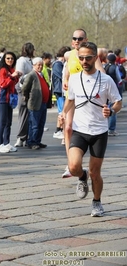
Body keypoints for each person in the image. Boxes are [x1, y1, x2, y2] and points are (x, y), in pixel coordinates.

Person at [59, 41, 122, 217]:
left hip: (99, 132)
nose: (84, 61)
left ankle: (97, 202)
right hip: (80, 130)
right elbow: (70, 100)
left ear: (95, 57)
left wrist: (111, 110)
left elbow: (118, 102)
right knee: (73, 167)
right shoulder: (74, 78)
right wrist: (63, 113)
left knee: (96, 173)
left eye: (88, 58)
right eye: (81, 58)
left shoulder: (106, 80)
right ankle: (81, 176)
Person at [62, 29, 106, 178]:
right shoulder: (69, 55)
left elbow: (103, 75)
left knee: (78, 127)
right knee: (67, 128)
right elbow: (67, 72)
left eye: (80, 38)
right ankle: (70, 163)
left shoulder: (92, 57)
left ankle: (79, 159)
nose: (76, 40)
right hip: (72, 95)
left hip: (85, 96)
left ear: (85, 39)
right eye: (74, 38)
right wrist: (66, 81)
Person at [0, 52, 21, 153]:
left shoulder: (11, 70)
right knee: (2, 121)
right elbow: (3, 84)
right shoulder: (3, 70)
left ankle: (6, 142)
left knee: (8, 122)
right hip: (2, 98)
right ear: (4, 60)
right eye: (8, 58)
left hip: (10, 98)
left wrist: (16, 76)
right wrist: (12, 76)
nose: (10, 60)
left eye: (12, 59)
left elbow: (13, 83)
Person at [22, 57, 50, 150]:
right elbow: (25, 88)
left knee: (41, 124)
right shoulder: (31, 75)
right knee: (34, 124)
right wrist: (28, 97)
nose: (40, 66)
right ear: (34, 65)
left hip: (43, 103)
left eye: (41, 65)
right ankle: (32, 142)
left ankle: (37, 141)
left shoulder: (41, 74)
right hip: (35, 103)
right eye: (38, 65)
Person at [14, 42, 35, 147]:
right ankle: (20, 137)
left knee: (29, 114)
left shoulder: (31, 60)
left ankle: (27, 136)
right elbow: (20, 75)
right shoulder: (22, 60)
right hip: (23, 88)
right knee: (23, 113)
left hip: (31, 88)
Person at [52, 46, 71, 142]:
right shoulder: (58, 64)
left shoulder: (60, 64)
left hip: (61, 91)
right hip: (60, 91)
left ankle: (60, 130)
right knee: (63, 112)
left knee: (64, 112)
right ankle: (61, 132)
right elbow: (62, 77)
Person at [105, 53, 122, 136]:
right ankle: (111, 129)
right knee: (113, 108)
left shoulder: (104, 66)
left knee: (105, 107)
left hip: (104, 89)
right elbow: (119, 78)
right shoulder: (115, 67)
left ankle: (105, 127)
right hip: (113, 89)